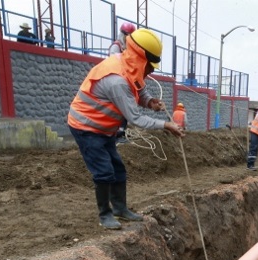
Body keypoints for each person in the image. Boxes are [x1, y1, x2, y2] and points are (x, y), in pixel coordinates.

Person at [67, 28, 185, 230]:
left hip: (104, 129)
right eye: (151, 65)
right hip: (86, 127)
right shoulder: (117, 80)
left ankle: (120, 209)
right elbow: (135, 118)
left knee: (118, 169)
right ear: (141, 58)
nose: (152, 70)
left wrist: (150, 102)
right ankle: (105, 215)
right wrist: (166, 125)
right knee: (104, 171)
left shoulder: (129, 67)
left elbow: (139, 89)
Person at [108, 23, 137, 143]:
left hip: (124, 81)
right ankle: (116, 134)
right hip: (116, 81)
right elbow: (115, 64)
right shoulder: (116, 47)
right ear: (124, 35)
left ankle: (122, 132)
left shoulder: (127, 48)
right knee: (118, 108)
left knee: (126, 107)